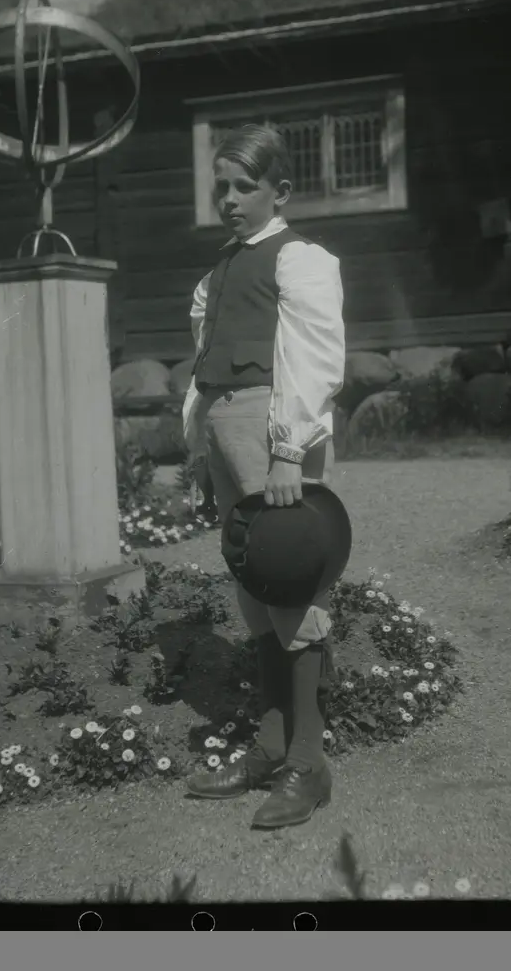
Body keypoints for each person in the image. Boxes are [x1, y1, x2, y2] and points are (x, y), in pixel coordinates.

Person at [181, 123, 346, 829]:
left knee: (289, 584)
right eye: (220, 186)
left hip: (270, 425)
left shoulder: (298, 259)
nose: (228, 199)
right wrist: (200, 447)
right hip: (227, 429)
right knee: (254, 589)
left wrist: (288, 448)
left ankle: (308, 764)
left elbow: (313, 357)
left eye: (244, 186)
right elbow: (205, 366)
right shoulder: (220, 269)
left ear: (280, 192)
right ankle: (272, 746)